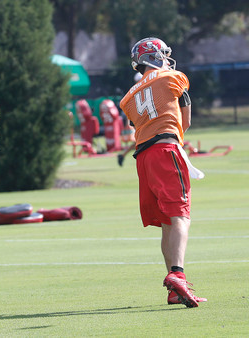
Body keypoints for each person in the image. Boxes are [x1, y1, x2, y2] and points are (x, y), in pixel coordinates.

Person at [119, 38, 206, 307]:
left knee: (168, 221)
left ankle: (173, 289)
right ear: (155, 55)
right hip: (166, 149)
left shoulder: (128, 97)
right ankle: (177, 274)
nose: (168, 58)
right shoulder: (173, 77)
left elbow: (140, 120)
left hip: (142, 157)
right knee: (180, 214)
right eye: (164, 54)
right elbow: (186, 120)